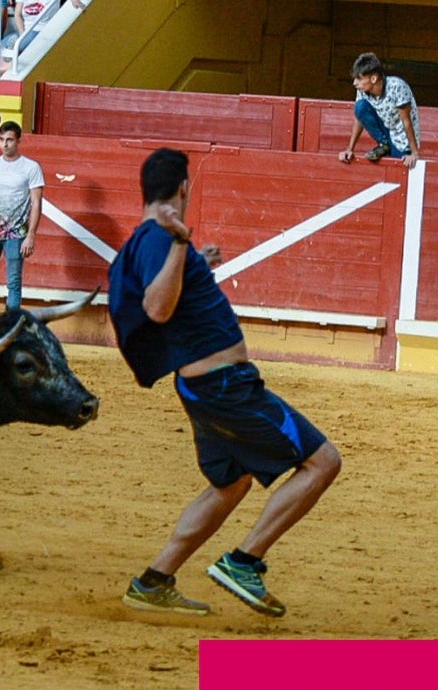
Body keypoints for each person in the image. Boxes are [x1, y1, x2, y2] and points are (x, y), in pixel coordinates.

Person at [108, 147, 342, 618]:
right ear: (182, 188)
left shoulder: (150, 238)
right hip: (224, 386)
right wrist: (181, 247)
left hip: (206, 386)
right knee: (322, 463)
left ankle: (154, 580)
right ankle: (244, 561)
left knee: (231, 484)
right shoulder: (162, 237)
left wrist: (196, 263)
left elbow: (170, 297)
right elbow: (157, 308)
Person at [0, 121, 43, 319]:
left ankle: (10, 325)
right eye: (2, 139)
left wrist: (31, 236)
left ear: (18, 141)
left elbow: (36, 203)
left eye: (10, 140)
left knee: (13, 282)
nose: (5, 144)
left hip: (17, 235)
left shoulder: (31, 167)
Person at [338, 52, 421, 169]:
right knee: (360, 106)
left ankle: (390, 147)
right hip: (386, 132)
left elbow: (406, 121)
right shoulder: (362, 91)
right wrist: (350, 149)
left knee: (399, 170)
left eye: (359, 79)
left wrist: (414, 153)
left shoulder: (397, 86)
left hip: (402, 139)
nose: (354, 83)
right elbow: (359, 117)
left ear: (373, 78)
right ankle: (384, 144)